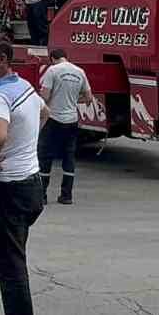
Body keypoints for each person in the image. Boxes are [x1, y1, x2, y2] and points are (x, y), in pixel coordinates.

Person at [0, 30, 47, 315]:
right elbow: (44, 112)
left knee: (9, 268)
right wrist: (24, 147)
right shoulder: (25, 87)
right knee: (14, 260)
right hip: (32, 186)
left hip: (8, 191)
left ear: (2, 59)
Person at [37, 48, 92, 205]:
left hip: (53, 119)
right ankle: (66, 195)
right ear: (66, 57)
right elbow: (88, 97)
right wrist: (74, 101)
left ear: (52, 58)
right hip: (71, 121)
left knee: (45, 156)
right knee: (69, 157)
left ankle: (42, 195)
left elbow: (45, 97)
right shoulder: (80, 72)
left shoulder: (52, 71)